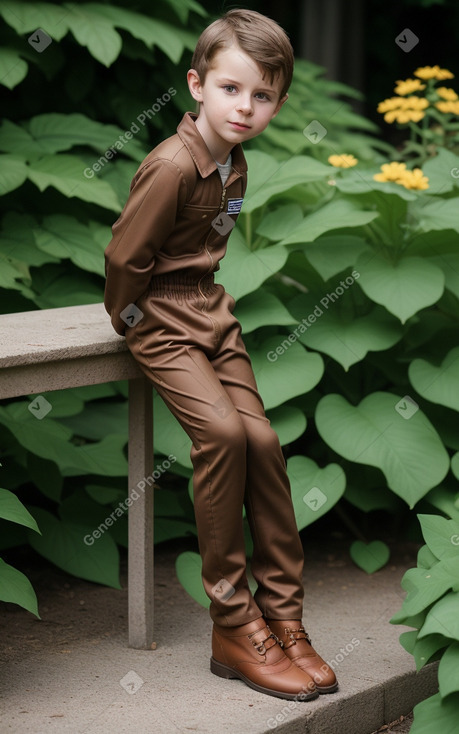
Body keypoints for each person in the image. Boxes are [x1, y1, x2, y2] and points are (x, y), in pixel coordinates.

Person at [104, 8, 338, 702]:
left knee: (264, 442)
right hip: (161, 318)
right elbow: (124, 256)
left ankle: (284, 620)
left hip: (211, 310)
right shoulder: (173, 164)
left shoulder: (235, 164)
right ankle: (233, 624)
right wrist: (132, 322)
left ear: (278, 101)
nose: (245, 106)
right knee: (225, 433)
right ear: (197, 85)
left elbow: (209, 247)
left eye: (262, 95)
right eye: (231, 89)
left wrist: (202, 306)